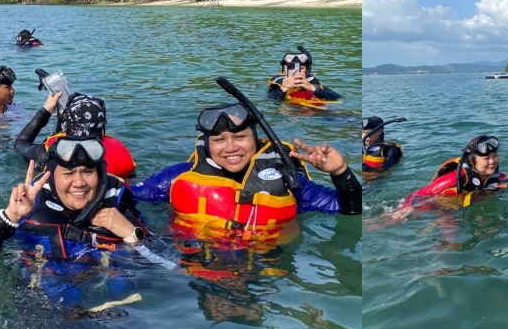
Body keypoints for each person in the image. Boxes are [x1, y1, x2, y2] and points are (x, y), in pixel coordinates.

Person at [130, 100, 362, 240]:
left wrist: (340, 172)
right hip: (196, 265)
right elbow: (127, 196)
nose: (231, 148)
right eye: (219, 140)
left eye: (240, 137)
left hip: (263, 269)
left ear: (257, 139)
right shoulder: (177, 176)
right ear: (207, 143)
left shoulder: (286, 182)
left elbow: (349, 210)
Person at [0, 136, 147, 257]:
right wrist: (12, 216)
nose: (79, 182)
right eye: (68, 173)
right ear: (52, 176)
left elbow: (164, 267)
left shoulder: (117, 202)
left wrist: (132, 234)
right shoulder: (33, 205)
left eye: (87, 171)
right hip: (39, 299)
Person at [14, 91, 136, 177]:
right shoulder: (119, 151)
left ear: (66, 123)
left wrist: (46, 111)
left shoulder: (52, 152)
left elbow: (20, 143)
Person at [401, 135, 508, 209]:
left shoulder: (498, 176)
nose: (492, 161)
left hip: (461, 205)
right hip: (439, 206)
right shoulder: (453, 178)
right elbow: (419, 194)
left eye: (495, 156)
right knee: (452, 241)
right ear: (472, 160)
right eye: (486, 158)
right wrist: (406, 209)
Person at [267, 47, 341, 103]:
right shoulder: (277, 87)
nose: (295, 71)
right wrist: (283, 88)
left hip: (318, 111)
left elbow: (337, 97)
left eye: (301, 68)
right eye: (291, 68)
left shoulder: (311, 83)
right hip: (294, 112)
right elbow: (273, 102)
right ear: (283, 71)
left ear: (307, 70)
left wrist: (312, 88)